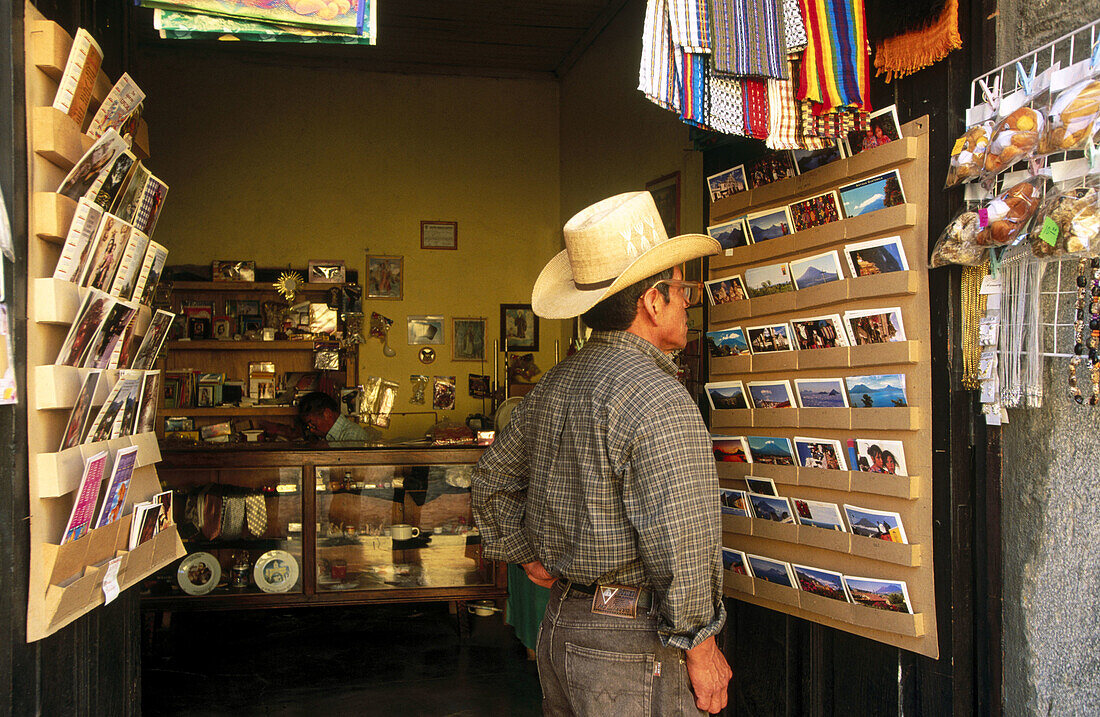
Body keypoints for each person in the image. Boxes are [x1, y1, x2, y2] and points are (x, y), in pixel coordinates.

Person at [472, 191, 731, 715]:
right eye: (682, 289)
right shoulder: (658, 397)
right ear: (653, 300)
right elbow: (682, 537)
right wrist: (701, 645)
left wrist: (527, 552)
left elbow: (491, 479)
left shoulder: (557, 382)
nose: (687, 302)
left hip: (563, 626)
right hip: (632, 646)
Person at [297, 391, 378, 442]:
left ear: (327, 413)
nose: (311, 430)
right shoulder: (328, 437)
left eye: (312, 424)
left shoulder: (352, 435)